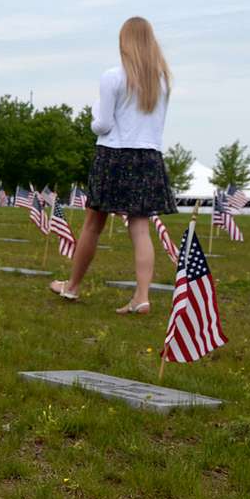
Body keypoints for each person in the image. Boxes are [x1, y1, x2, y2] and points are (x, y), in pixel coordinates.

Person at [50, 17, 176, 314]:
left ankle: (72, 286)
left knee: (93, 225)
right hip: (148, 157)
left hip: (114, 155)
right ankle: (142, 296)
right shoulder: (162, 81)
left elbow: (103, 125)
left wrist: (94, 117)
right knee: (141, 227)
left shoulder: (112, 77)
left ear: (124, 43)